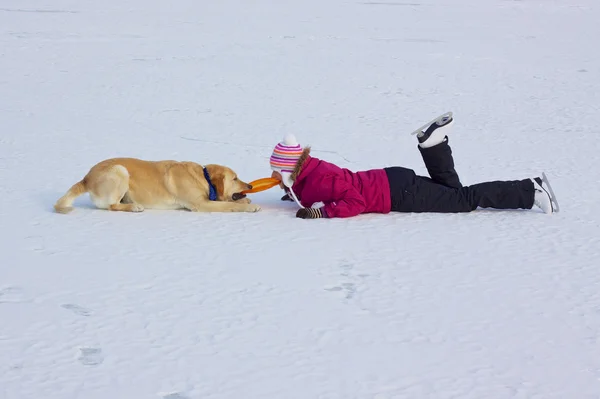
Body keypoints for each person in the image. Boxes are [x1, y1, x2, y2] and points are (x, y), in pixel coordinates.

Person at [268, 112, 558, 219]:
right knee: (452, 191)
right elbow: (323, 186)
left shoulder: (319, 181)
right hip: (393, 181)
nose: (274, 178)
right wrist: (296, 193)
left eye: (277, 173)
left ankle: (530, 191)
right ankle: (433, 143)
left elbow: (353, 201)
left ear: (288, 170)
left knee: (463, 200)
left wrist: (321, 212)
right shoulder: (313, 171)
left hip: (398, 194)